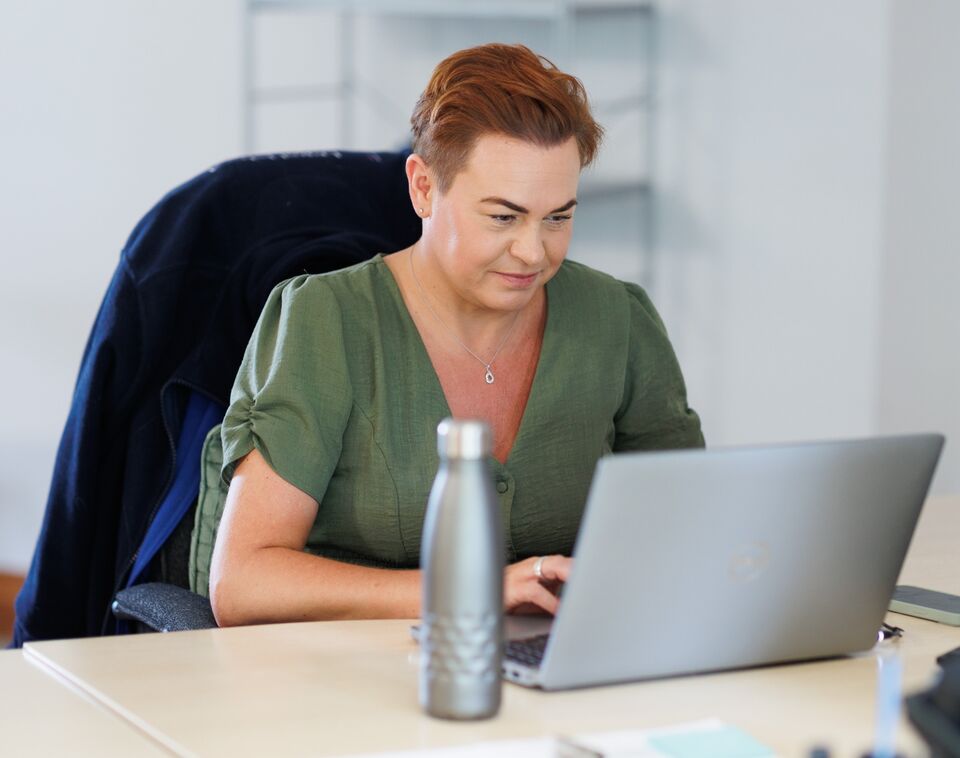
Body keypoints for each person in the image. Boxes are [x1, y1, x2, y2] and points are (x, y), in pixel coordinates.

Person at [207, 43, 703, 627]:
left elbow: (688, 530)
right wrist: (465, 590)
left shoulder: (618, 319)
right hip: (343, 680)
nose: (533, 251)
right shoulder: (328, 321)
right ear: (422, 188)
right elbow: (243, 582)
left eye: (558, 217)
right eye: (503, 216)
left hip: (557, 669)